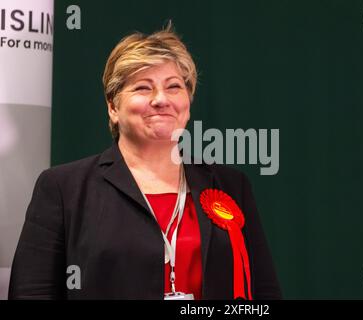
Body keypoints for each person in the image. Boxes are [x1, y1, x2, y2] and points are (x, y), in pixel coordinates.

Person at [8, 24, 282, 300]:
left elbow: (263, 292)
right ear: (113, 107)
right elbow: (32, 292)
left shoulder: (231, 185)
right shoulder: (63, 187)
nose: (161, 99)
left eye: (174, 86)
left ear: (188, 101)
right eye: (143, 87)